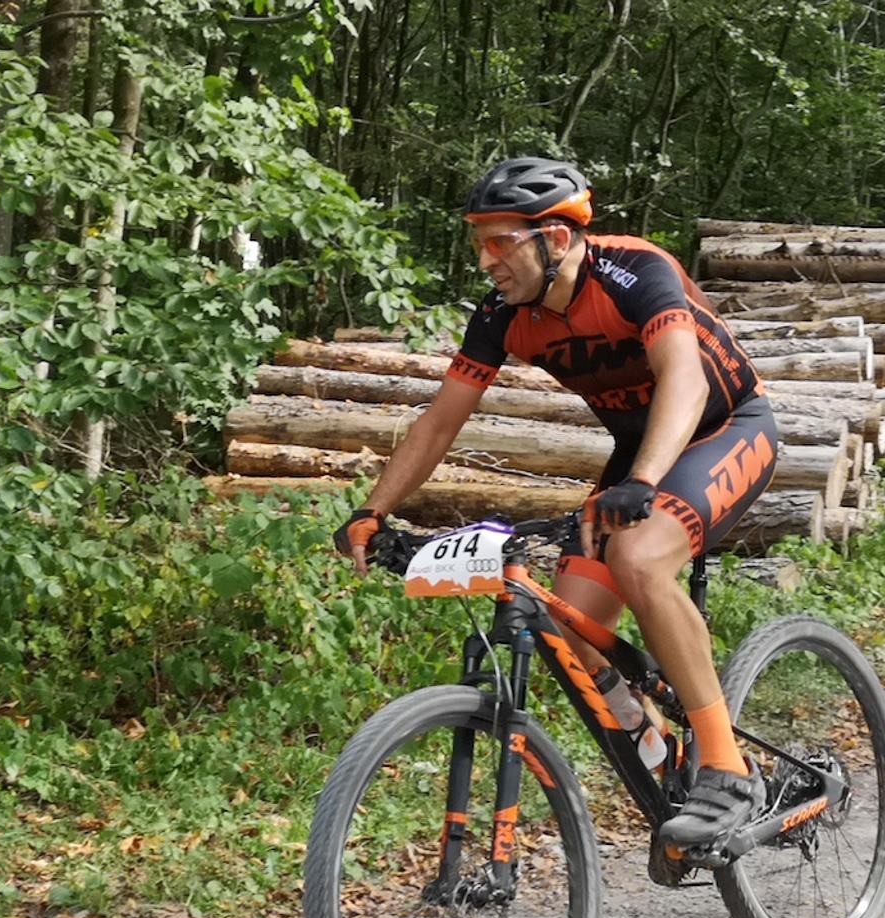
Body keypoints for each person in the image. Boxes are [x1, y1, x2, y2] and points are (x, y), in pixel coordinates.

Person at [333, 157, 779, 848]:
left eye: (499, 242)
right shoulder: (503, 316)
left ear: (558, 239)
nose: (485, 261)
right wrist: (374, 511)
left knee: (638, 559)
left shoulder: (635, 272)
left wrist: (642, 482)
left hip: (724, 428)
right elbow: (441, 421)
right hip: (640, 454)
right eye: (478, 242)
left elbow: (685, 382)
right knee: (573, 629)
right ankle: (666, 762)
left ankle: (726, 766)